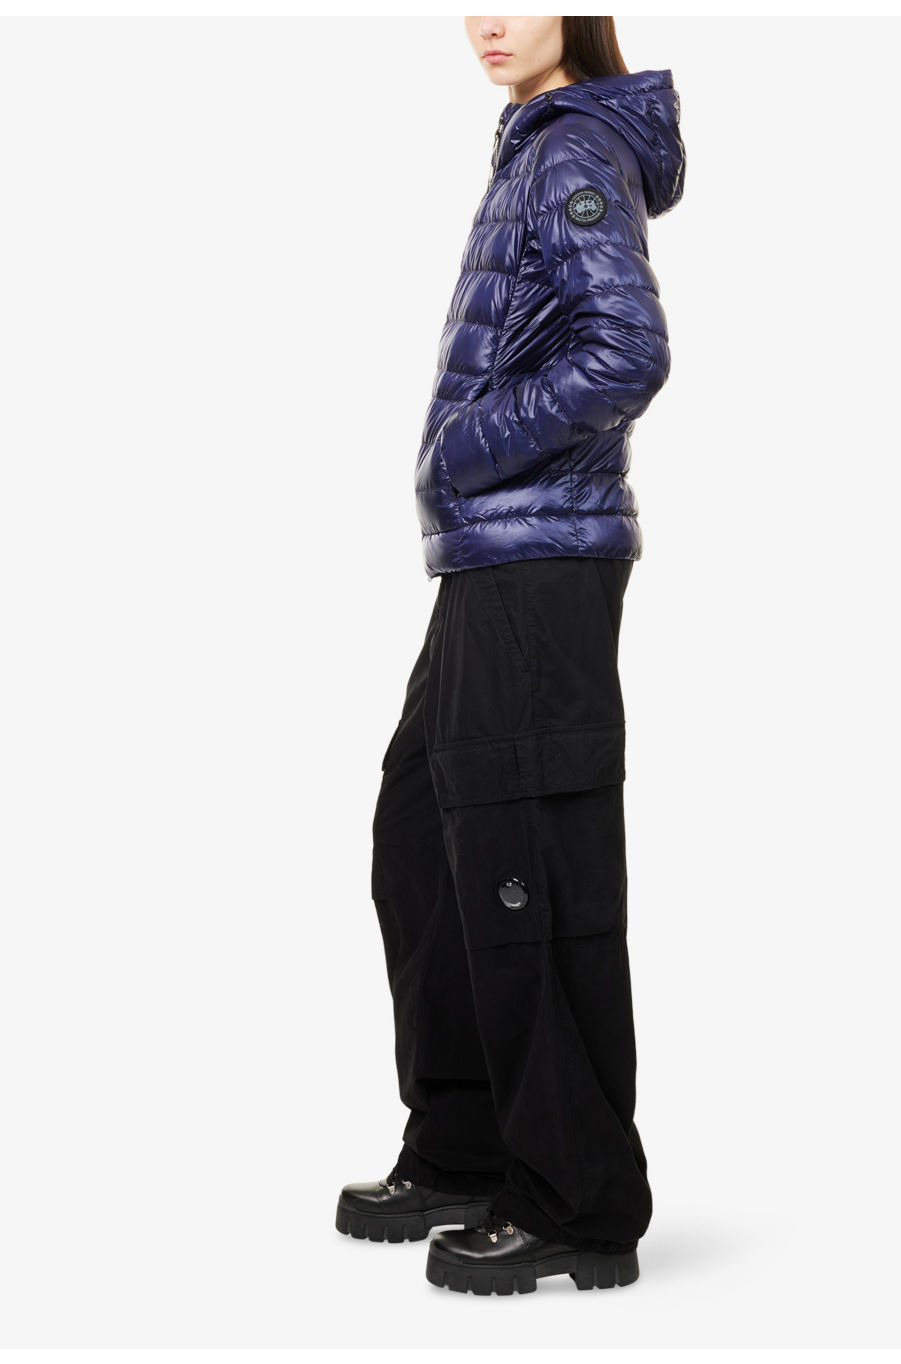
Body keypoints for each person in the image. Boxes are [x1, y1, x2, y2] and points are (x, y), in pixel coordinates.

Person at [335, 15, 686, 1296]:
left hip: (539, 556)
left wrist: (466, 450)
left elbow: (628, 350)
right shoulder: (536, 144)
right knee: (423, 837)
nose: (487, 18)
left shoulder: (574, 148)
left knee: (528, 857)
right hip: (494, 556)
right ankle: (468, 1146)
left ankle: (577, 1199)